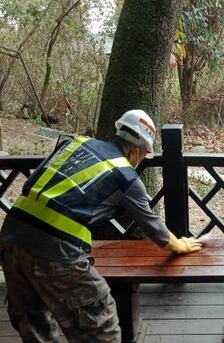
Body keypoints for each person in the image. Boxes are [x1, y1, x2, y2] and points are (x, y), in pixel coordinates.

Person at [0, 109, 202, 342]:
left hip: (11, 238)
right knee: (99, 323)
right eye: (144, 155)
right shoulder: (125, 176)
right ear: (137, 151)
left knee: (33, 322)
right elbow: (154, 227)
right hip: (56, 250)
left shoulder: (74, 144)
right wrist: (180, 244)